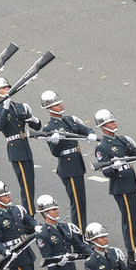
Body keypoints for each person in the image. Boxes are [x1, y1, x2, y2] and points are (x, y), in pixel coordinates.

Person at [93, 109, 136, 268]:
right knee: (129, 220)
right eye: (110, 122)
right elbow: (106, 171)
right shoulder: (102, 147)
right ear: (103, 126)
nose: (114, 123)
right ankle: (132, 255)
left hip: (130, 185)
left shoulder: (122, 140)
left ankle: (135, 250)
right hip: (120, 187)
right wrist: (114, 167)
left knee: (132, 220)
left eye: (113, 121)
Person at [40, 90, 97, 231]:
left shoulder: (70, 120)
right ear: (49, 109)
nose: (60, 106)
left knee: (81, 202)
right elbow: (55, 153)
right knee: (76, 203)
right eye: (56, 105)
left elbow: (85, 129)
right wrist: (54, 142)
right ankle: (80, 234)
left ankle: (81, 231)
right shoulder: (49, 128)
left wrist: (90, 134)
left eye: (59, 103)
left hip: (76, 164)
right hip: (68, 166)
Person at [0, 77, 42, 215]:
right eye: (4, 88)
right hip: (15, 149)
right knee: (25, 184)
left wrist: (34, 119)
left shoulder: (19, 106)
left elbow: (36, 126)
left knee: (30, 184)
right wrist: (5, 108)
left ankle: (29, 214)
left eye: (8, 87)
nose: (7, 89)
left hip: (25, 147)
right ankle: (29, 215)